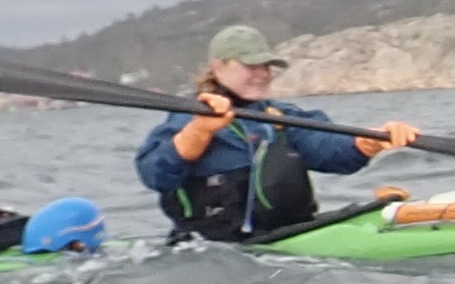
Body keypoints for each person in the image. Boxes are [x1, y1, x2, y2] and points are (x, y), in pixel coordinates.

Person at [134, 25, 419, 242]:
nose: (262, 74)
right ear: (218, 66)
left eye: (266, 66)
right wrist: (199, 131)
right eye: (251, 66)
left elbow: (329, 148)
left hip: (285, 236)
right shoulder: (188, 117)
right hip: (212, 249)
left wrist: (370, 141)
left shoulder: (278, 116)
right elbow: (154, 174)